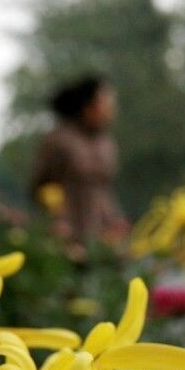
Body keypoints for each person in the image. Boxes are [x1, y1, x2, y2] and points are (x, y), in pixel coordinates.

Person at [30, 75, 127, 245]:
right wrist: (57, 219)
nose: (111, 107)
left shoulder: (106, 142)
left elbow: (104, 189)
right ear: (88, 106)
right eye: (105, 101)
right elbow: (42, 186)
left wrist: (115, 219)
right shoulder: (59, 139)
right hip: (66, 235)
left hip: (101, 237)